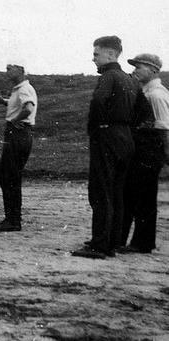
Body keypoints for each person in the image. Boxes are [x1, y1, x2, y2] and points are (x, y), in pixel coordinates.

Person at [72, 36, 139, 259]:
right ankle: (112, 243)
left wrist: (96, 128)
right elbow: (144, 112)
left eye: (96, 54)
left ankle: (99, 245)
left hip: (106, 137)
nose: (93, 59)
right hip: (126, 138)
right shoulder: (130, 80)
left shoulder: (108, 77)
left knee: (100, 192)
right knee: (117, 193)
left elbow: (98, 102)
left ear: (110, 54)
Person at [121, 53, 169, 254]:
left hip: (150, 152)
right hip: (142, 150)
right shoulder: (147, 92)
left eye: (139, 67)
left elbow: (164, 130)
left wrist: (164, 157)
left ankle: (142, 243)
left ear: (153, 70)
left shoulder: (156, 95)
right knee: (134, 196)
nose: (135, 70)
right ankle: (131, 240)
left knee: (145, 198)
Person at [0, 63, 37, 232]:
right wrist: (4, 102)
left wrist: (15, 121)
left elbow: (28, 108)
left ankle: (13, 220)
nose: (7, 71)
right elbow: (21, 104)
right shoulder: (21, 89)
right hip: (20, 134)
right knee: (7, 176)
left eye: (10, 68)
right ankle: (12, 218)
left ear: (21, 70)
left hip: (17, 133)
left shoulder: (24, 89)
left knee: (8, 177)